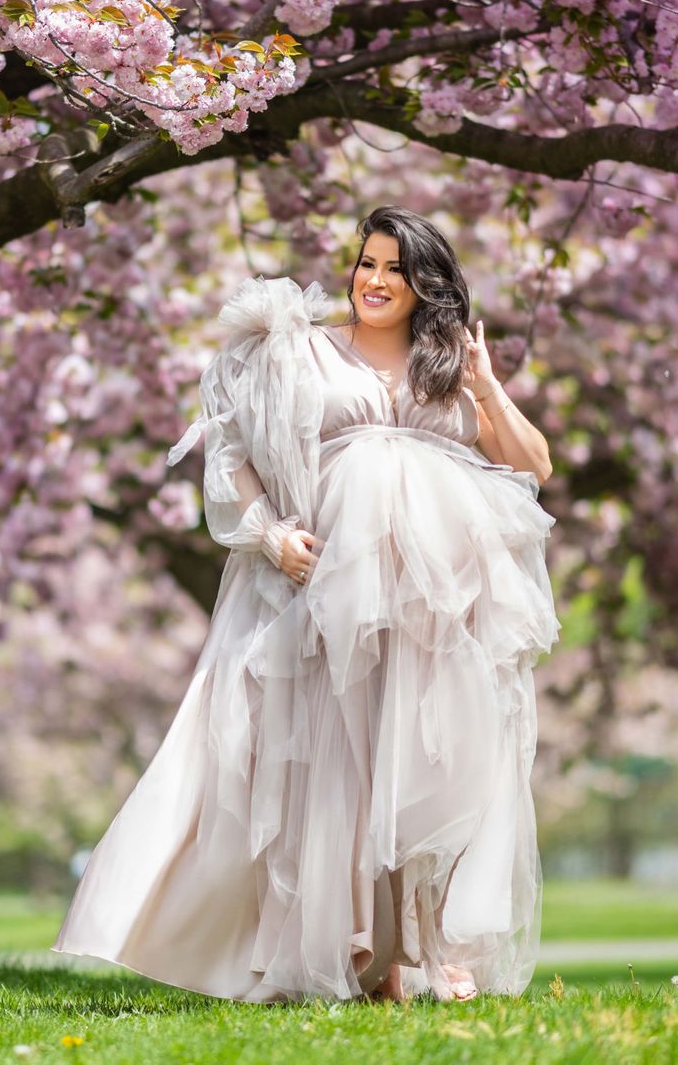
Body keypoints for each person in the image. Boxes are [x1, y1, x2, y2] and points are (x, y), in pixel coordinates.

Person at [53, 206, 559, 1002]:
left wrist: (486, 384)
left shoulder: (449, 374)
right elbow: (232, 451)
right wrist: (266, 534)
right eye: (367, 264)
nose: (375, 281)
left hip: (434, 610)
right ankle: (359, 951)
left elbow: (533, 468)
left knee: (434, 768)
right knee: (343, 767)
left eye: (395, 268)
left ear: (428, 285)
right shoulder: (303, 353)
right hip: (333, 598)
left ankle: (423, 949)